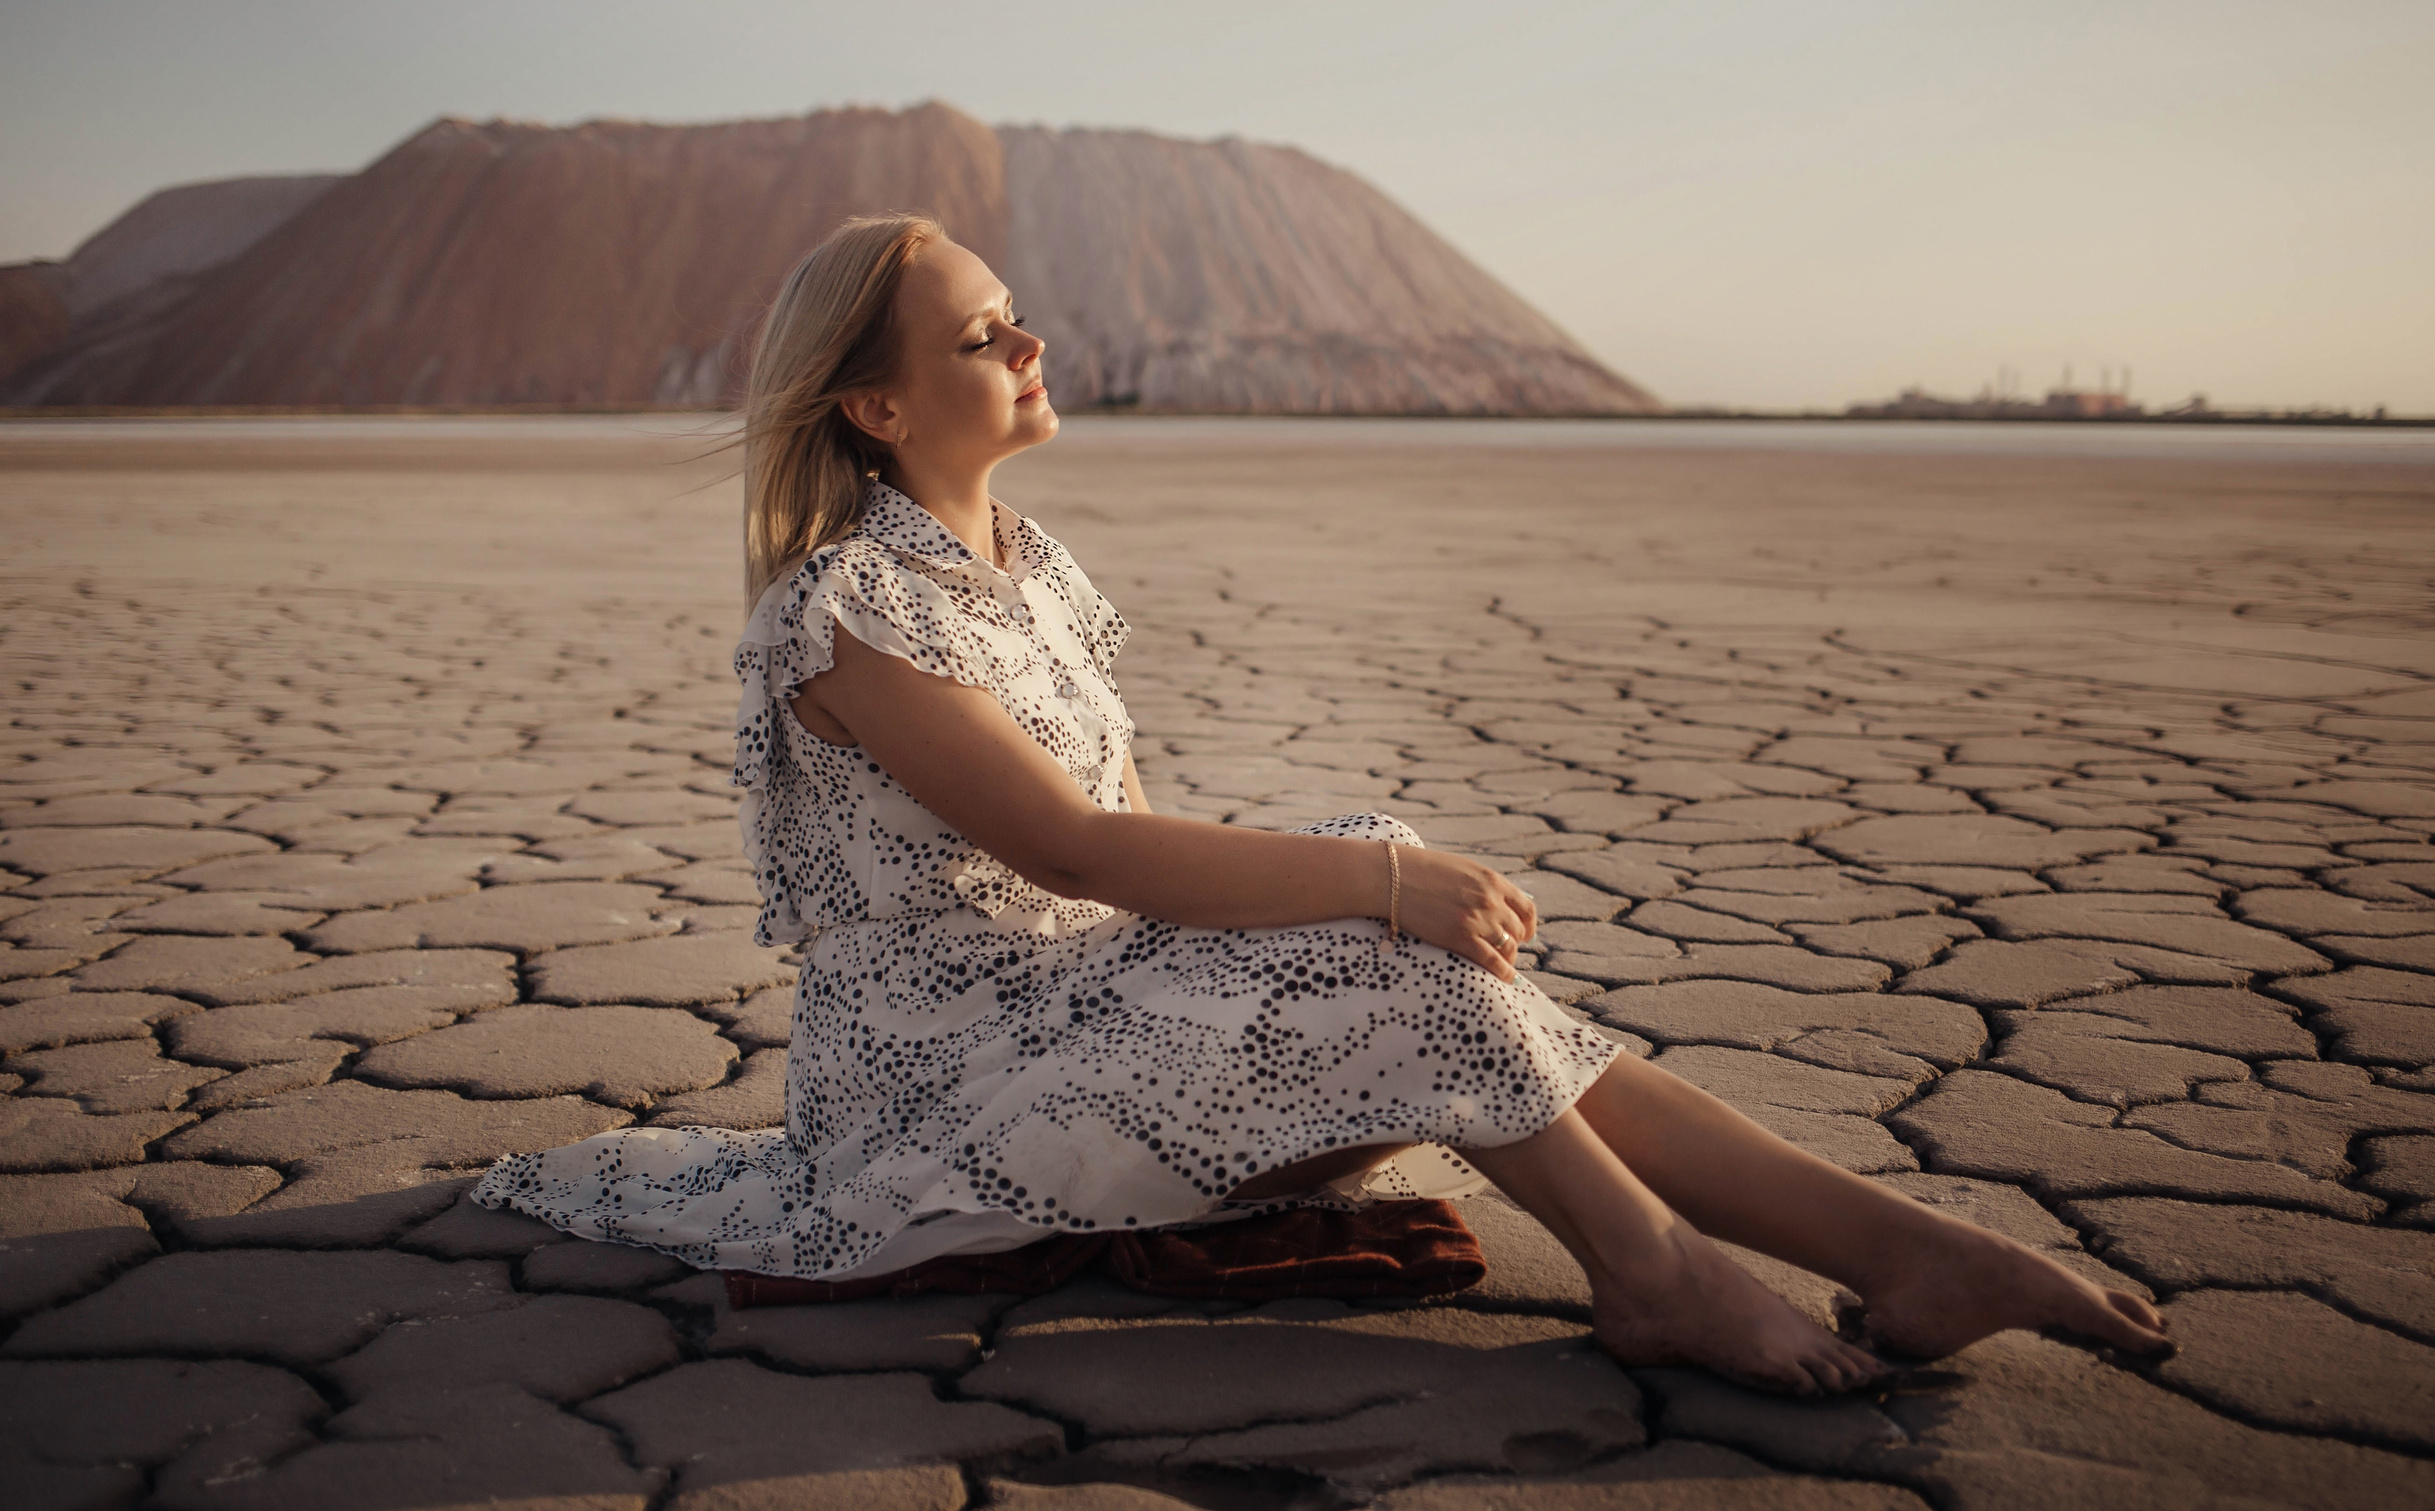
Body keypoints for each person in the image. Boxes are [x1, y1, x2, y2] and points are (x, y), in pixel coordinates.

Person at [473, 213, 2169, 1395]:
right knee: (1381, 906)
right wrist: (1381, 886)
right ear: (880, 405)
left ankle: (1897, 1244)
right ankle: (1659, 1273)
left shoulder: (1032, 571)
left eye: (1018, 313)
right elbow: (1076, 850)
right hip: (942, 1096)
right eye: (984, 336)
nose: (1031, 341)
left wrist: (1363, 896)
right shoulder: (849, 608)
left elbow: (1153, 865)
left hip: (1084, 1021)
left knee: (1398, 927)